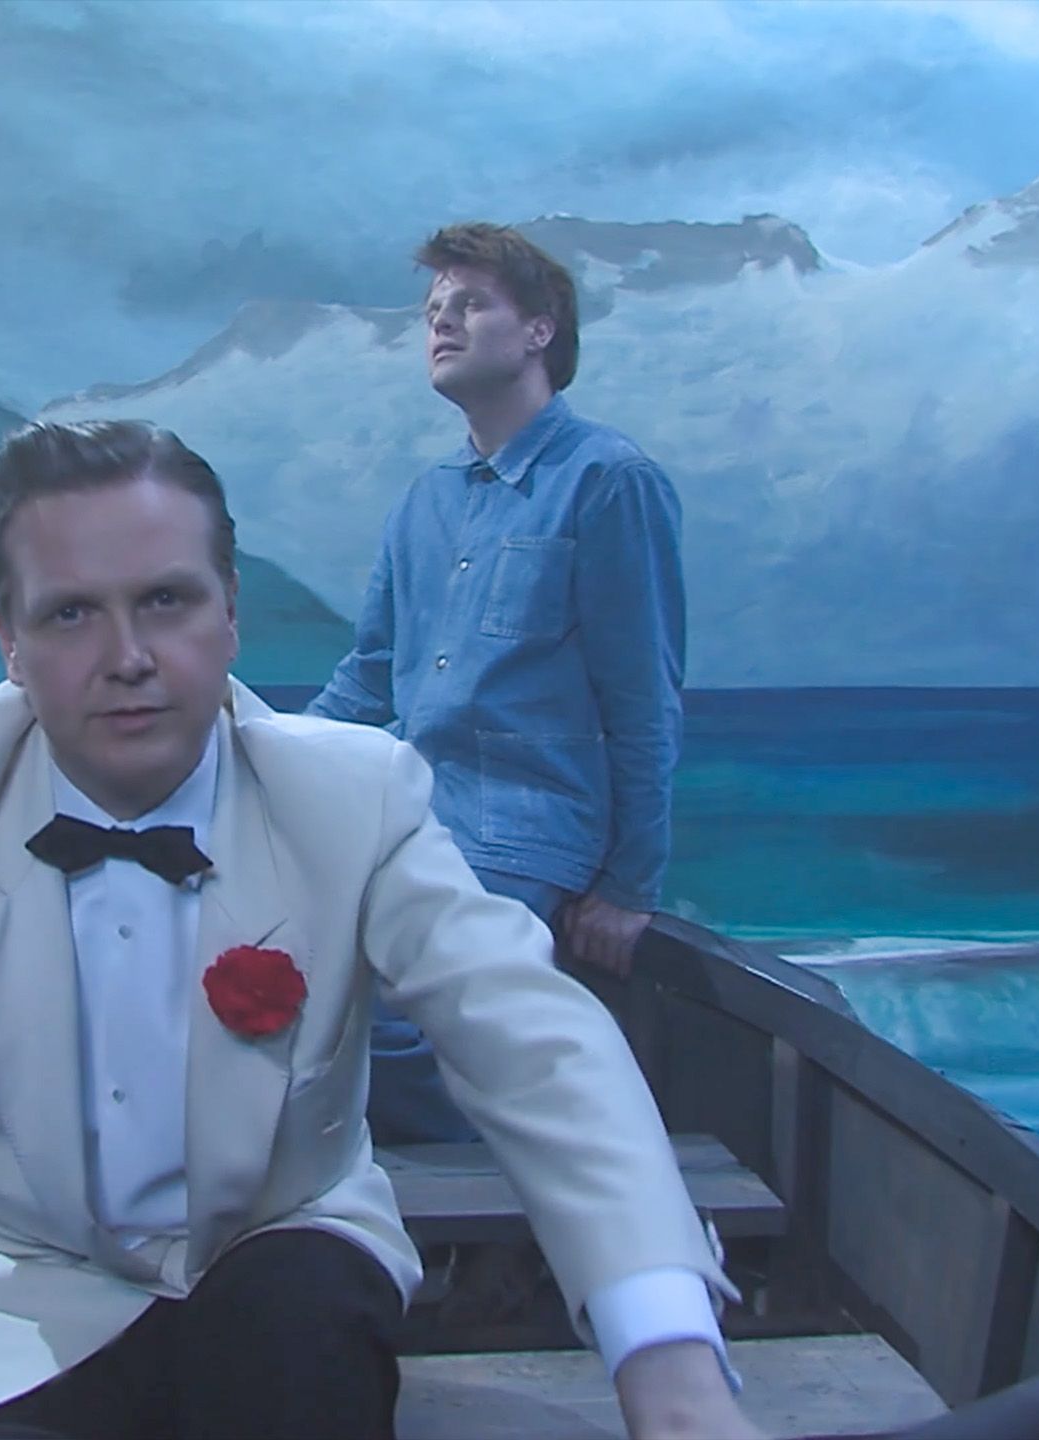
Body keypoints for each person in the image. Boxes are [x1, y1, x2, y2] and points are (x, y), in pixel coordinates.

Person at [0, 424, 755, 1440]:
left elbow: (531, 1040)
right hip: (8, 1279)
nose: (128, 658)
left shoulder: (355, 792)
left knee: (298, 1346)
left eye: (166, 601)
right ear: (4, 641)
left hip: (282, 1252)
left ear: (228, 615)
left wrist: (671, 1365)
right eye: (69, 615)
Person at [310, 222, 689, 1144]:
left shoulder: (609, 482)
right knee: (267, 992)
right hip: (406, 822)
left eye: (470, 304)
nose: (441, 322)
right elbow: (367, 680)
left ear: (539, 331)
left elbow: (644, 695)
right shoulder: (425, 501)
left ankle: (562, 1190)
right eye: (433, 310)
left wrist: (632, 885)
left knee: (387, 1031)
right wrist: (244, 764)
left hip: (524, 838)